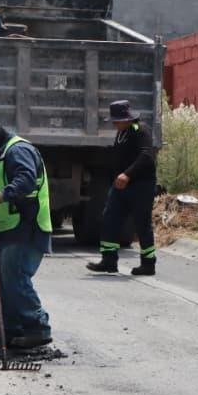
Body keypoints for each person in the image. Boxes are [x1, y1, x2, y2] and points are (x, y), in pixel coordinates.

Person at [0, 121, 52, 349]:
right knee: (5, 282)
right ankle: (10, 331)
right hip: (10, 228)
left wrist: (0, 196)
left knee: (15, 280)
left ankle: (37, 328)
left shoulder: (18, 151)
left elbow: (25, 180)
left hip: (26, 227)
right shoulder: (3, 155)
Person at [86, 101, 158, 276]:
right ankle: (109, 261)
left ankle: (148, 264)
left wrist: (128, 174)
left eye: (117, 120)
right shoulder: (121, 133)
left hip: (141, 185)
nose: (114, 123)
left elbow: (146, 156)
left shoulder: (139, 130)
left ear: (127, 118)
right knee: (110, 219)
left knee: (142, 224)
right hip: (120, 187)